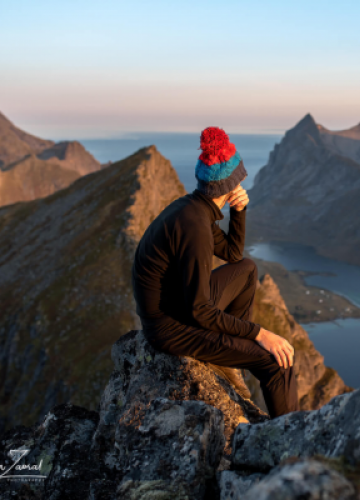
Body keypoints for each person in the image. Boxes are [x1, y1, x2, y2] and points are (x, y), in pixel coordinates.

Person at [130, 126, 298, 418]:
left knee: (246, 270)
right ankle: (291, 442)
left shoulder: (194, 208)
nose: (242, 182)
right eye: (239, 179)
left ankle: (233, 356)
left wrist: (239, 212)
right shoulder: (195, 227)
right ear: (228, 185)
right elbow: (200, 311)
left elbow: (233, 255)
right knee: (275, 362)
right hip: (171, 328)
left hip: (177, 308)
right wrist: (259, 334)